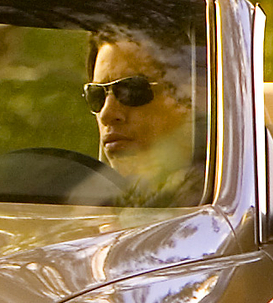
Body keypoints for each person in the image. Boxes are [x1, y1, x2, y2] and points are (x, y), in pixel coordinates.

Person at [85, 34, 201, 202]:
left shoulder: (209, 197)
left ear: (189, 99)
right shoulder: (85, 203)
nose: (106, 114)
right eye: (96, 95)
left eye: (132, 90)